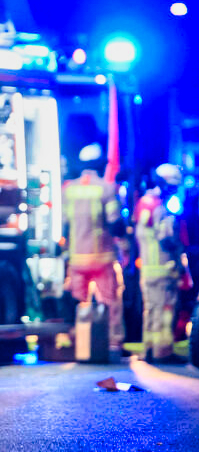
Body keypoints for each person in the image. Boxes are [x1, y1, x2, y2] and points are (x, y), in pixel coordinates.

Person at [62, 143, 127, 354]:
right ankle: (112, 342)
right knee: (109, 301)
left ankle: (79, 343)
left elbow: (64, 224)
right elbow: (115, 222)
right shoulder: (106, 188)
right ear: (100, 164)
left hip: (77, 257)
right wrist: (125, 242)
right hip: (102, 256)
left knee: (79, 301)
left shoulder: (69, 189)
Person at [134, 163, 188, 364]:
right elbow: (167, 238)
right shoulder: (162, 208)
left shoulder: (143, 203)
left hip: (147, 269)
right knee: (165, 310)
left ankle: (149, 350)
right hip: (164, 268)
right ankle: (163, 352)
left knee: (151, 308)